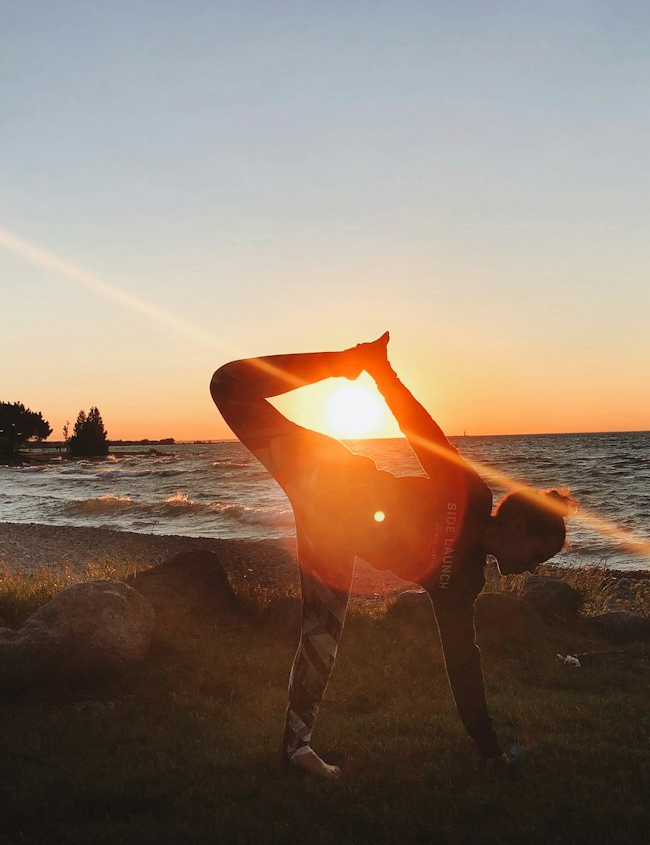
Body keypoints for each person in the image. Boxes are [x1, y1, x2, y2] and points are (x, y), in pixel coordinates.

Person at [210, 333, 573, 779]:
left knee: (320, 636)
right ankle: (346, 362)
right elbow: (422, 433)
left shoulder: (462, 583)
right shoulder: (472, 496)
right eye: (537, 555)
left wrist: (488, 748)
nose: (532, 569)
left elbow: (463, 661)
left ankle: (295, 750)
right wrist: (382, 374)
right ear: (518, 526)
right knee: (227, 383)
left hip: (332, 538)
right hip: (323, 470)